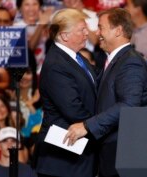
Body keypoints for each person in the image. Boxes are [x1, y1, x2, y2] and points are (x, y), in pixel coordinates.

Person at [64, 8, 147, 177]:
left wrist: (86, 126)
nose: (97, 32)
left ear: (118, 30)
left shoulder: (130, 63)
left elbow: (129, 105)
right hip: (114, 151)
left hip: (125, 153)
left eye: (101, 27)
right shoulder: (116, 61)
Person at [33, 8, 97, 177]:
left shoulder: (77, 57)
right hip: (62, 160)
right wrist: (102, 124)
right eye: (81, 30)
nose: (86, 33)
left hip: (77, 156)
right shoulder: (56, 64)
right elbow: (73, 109)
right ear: (64, 35)